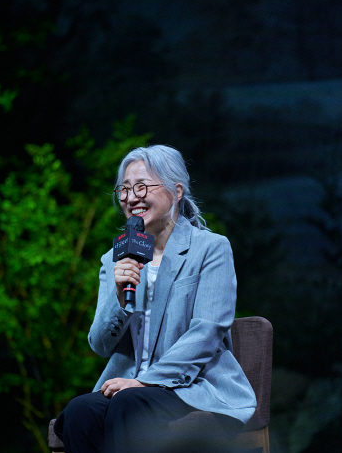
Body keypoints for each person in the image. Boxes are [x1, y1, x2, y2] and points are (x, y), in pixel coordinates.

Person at [53, 145, 256, 453]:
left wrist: (148, 381)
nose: (131, 197)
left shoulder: (210, 248)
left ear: (177, 190)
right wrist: (120, 301)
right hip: (129, 387)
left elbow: (207, 332)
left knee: (129, 405)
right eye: (124, 189)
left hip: (193, 386)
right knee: (79, 413)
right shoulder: (115, 259)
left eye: (142, 186)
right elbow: (99, 344)